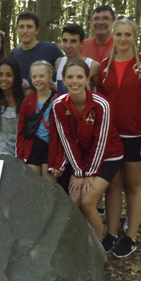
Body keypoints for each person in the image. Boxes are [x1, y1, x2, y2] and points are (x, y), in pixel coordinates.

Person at [97, 18, 141, 258]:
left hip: (136, 134)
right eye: (118, 34)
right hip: (111, 135)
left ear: (134, 37)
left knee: (134, 185)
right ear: (113, 36)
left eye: (127, 35)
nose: (122, 39)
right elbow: (101, 99)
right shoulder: (103, 66)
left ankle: (131, 235)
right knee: (113, 184)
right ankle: (111, 232)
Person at [49, 59, 123, 242]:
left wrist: (88, 173)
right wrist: (78, 172)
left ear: (88, 79)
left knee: (88, 201)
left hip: (108, 155)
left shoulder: (101, 104)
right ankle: (77, 245)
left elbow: (101, 141)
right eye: (70, 77)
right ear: (63, 80)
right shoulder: (58, 104)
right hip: (81, 158)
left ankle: (97, 250)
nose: (75, 81)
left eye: (80, 77)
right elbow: (66, 140)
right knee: (73, 200)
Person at [16, 61, 58, 181]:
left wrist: (59, 161)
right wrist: (20, 156)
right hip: (32, 147)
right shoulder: (27, 102)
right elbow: (21, 131)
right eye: (34, 76)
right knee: (33, 186)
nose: (37, 80)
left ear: (50, 77)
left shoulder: (59, 100)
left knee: (49, 188)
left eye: (41, 76)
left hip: (51, 148)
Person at [9, 11, 63, 90]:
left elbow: (64, 75)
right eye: (21, 27)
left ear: (37, 30)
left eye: (29, 27)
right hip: (22, 101)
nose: (25, 31)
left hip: (48, 100)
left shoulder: (51, 49)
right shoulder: (13, 54)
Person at [0, 58, 24, 156]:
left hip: (22, 150)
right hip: (3, 149)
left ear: (16, 77)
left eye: (9, 75)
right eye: (0, 75)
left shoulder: (25, 97)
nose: (4, 79)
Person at [55, 23, 100, 92]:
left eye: (73, 41)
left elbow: (101, 92)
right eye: (65, 41)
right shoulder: (59, 62)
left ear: (81, 44)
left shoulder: (93, 65)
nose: (68, 45)